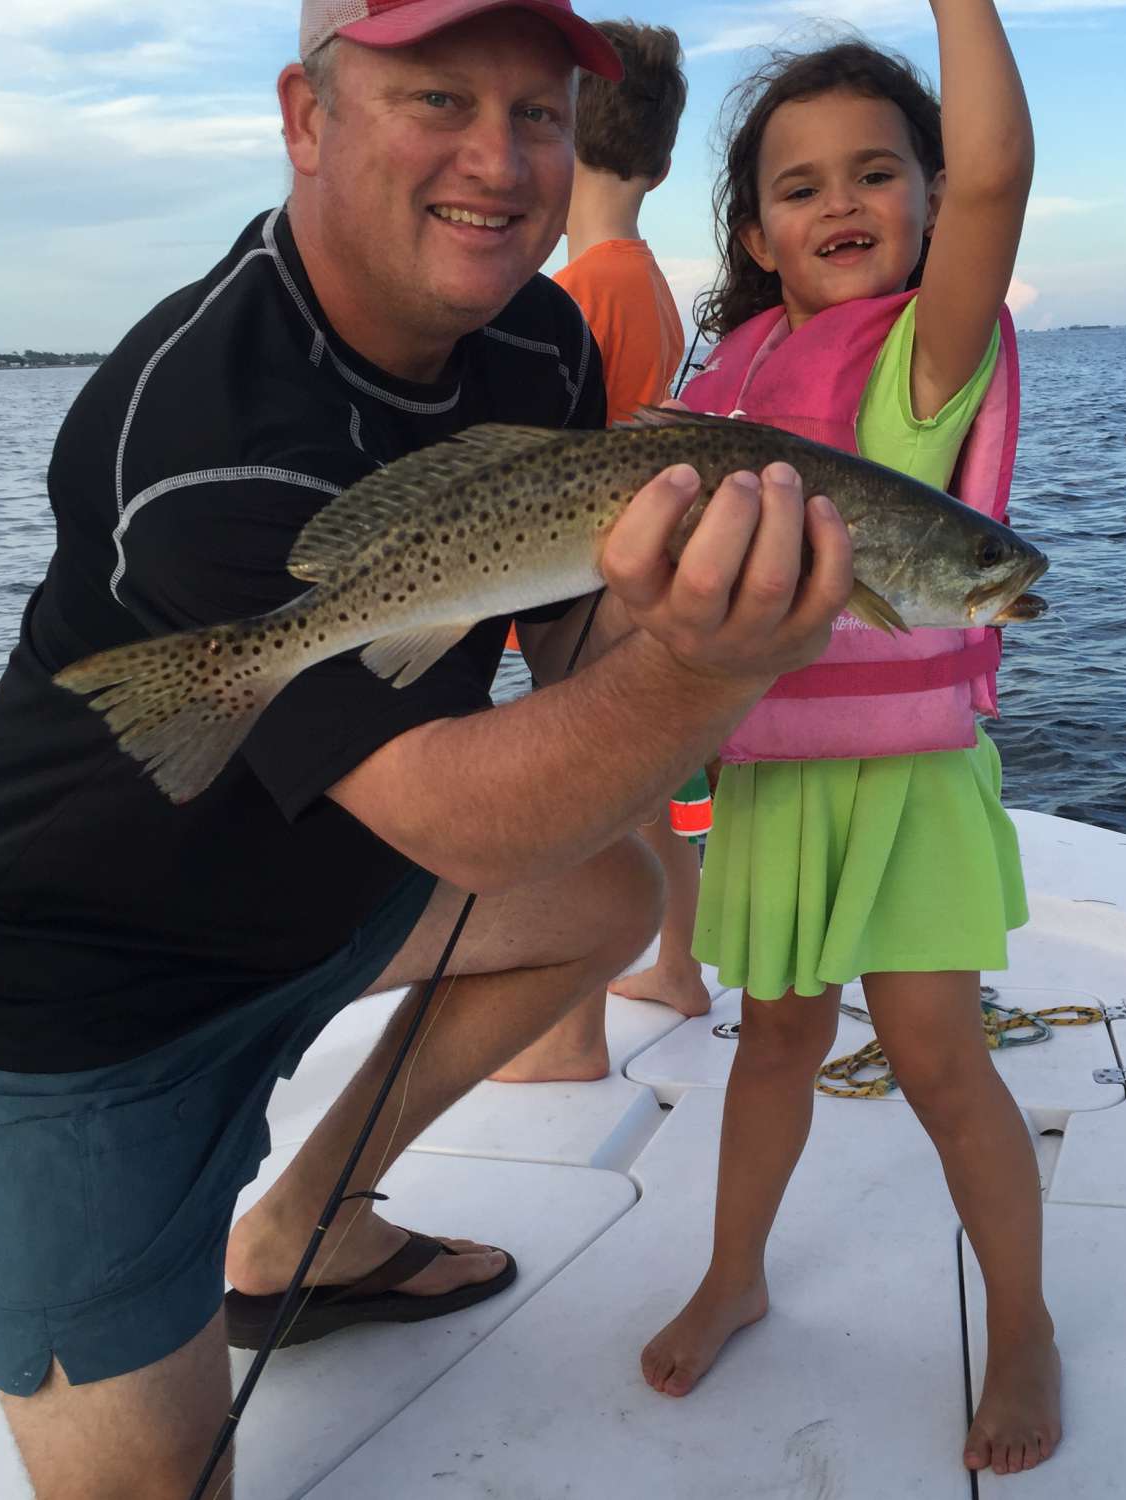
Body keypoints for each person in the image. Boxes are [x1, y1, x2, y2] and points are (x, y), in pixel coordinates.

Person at [0, 3, 854, 1495]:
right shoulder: (202, 425)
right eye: (439, 98)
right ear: (308, 118)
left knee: (608, 903)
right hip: (79, 994)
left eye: (541, 114)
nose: (499, 160)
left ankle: (312, 1223)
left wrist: (666, 602)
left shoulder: (543, 342)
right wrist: (712, 664)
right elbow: (474, 825)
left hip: (321, 891)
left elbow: (562, 650)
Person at [636, 2, 1062, 1479]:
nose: (843, 206)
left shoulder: (917, 361)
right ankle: (735, 1270)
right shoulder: (727, 376)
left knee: (944, 1061)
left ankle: (1020, 1319)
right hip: (773, 772)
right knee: (772, 1041)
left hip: (911, 778)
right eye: (801, 186)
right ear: (753, 233)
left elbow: (1003, 176)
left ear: (936, 199)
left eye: (881, 173)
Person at [496, 21, 704, 1086]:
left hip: (580, 591)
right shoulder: (648, 283)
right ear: (663, 163)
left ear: (562, 133)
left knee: (588, 795)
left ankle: (571, 1038)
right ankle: (677, 963)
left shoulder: (576, 299)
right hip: (623, 587)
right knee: (640, 789)